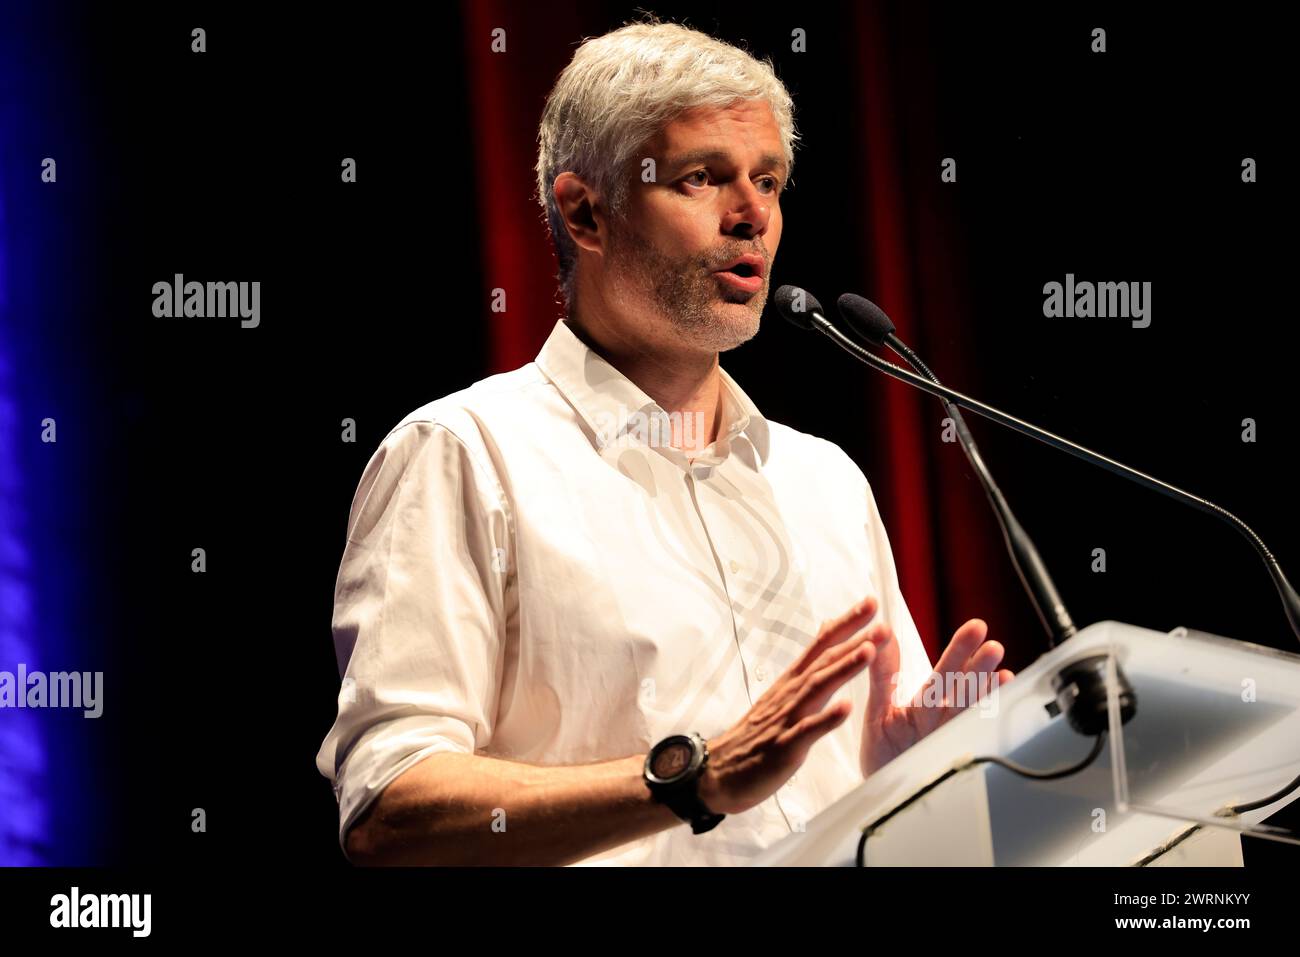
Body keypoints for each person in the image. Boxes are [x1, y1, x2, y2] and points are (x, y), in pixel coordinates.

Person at [315, 18, 1013, 866]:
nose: (753, 215)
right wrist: (689, 778)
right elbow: (391, 807)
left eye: (768, 179)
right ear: (586, 213)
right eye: (700, 179)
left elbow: (861, 803)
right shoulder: (464, 454)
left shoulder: (825, 481)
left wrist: (908, 779)